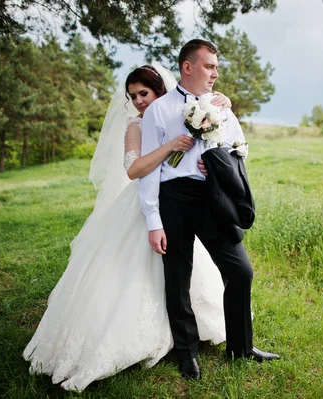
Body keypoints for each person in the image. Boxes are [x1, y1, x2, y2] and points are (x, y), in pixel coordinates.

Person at [22, 64, 231, 392]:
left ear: (160, 89)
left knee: (186, 270)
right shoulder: (135, 126)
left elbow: (208, 110)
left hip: (183, 203)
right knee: (130, 272)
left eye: (143, 93)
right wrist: (168, 148)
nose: (138, 101)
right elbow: (134, 169)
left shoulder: (179, 112)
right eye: (133, 96)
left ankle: (191, 335)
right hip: (141, 206)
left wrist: (221, 102)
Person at [139, 39, 280, 381]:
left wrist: (220, 163)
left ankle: (242, 348)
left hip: (212, 198)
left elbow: (241, 149)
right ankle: (186, 354)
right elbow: (148, 171)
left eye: (217, 67)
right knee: (178, 278)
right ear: (187, 67)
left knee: (240, 270)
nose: (216, 73)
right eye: (209, 66)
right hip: (173, 197)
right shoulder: (158, 110)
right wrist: (153, 220)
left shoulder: (222, 107)